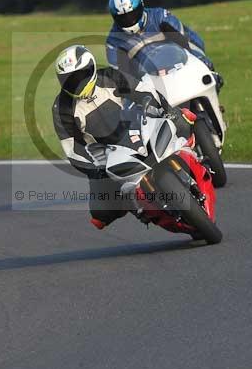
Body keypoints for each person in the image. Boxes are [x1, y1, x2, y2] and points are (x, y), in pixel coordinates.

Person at [52, 44, 195, 230]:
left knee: (183, 119)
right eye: (70, 80)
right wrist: (95, 170)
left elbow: (142, 90)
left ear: (92, 68)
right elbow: (72, 148)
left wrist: (165, 109)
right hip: (105, 157)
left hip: (134, 127)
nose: (77, 83)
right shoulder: (61, 107)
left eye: (80, 76)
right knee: (101, 213)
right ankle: (141, 209)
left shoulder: (109, 76)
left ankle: (193, 155)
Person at [105, 0, 221, 88]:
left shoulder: (160, 17)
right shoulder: (114, 41)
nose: (129, 20)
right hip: (149, 82)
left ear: (141, 6)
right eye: (123, 18)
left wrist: (201, 61)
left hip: (180, 65)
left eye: (132, 14)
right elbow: (123, 75)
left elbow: (186, 43)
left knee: (210, 76)